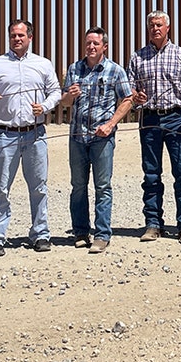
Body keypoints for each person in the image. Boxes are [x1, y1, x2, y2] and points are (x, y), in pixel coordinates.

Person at [0, 19, 62, 257]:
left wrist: (44, 106)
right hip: (6, 134)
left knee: (39, 187)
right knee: (0, 188)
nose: (17, 39)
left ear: (30, 37)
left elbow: (55, 91)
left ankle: (41, 234)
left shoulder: (43, 64)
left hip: (36, 133)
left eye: (21, 35)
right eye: (13, 35)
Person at [59, 26, 135, 254]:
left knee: (103, 187)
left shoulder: (114, 71)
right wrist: (69, 96)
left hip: (102, 138)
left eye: (95, 43)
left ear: (105, 46)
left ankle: (102, 234)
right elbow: (64, 102)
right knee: (78, 187)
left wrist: (111, 124)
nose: (91, 47)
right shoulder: (75, 69)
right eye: (88, 43)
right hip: (78, 137)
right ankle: (81, 232)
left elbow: (128, 99)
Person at [128, 10, 181, 245]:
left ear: (168, 28)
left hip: (175, 119)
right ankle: (152, 224)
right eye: (151, 25)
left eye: (159, 25)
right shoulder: (137, 57)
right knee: (151, 174)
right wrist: (136, 97)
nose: (155, 29)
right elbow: (131, 89)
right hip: (149, 120)